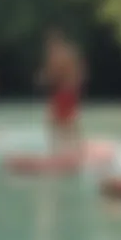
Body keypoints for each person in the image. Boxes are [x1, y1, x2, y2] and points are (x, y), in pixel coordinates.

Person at [36, 28, 86, 160]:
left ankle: (56, 152)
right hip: (71, 89)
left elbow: (54, 73)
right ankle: (75, 148)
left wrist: (43, 78)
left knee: (55, 121)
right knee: (68, 121)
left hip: (63, 90)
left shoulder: (57, 55)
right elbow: (79, 71)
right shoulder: (70, 51)